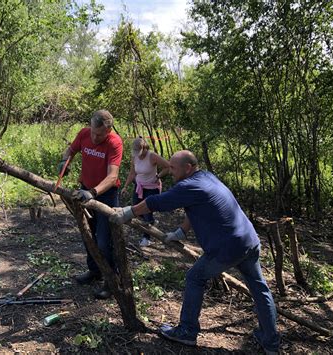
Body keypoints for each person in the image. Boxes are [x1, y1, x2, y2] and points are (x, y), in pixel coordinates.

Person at [109, 150, 280, 354]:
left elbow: (158, 202)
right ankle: (270, 342)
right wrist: (182, 230)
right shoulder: (206, 177)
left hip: (228, 246)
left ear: (188, 167)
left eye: (173, 167)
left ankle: (187, 331)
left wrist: (129, 212)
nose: (169, 171)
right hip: (248, 240)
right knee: (259, 289)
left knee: (195, 278)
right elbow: (196, 206)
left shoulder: (190, 185)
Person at [58, 109, 123, 299]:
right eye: (94, 132)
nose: (95, 137)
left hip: (105, 195)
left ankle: (112, 281)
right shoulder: (84, 133)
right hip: (84, 190)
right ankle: (94, 271)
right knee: (88, 234)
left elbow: (112, 177)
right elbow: (70, 150)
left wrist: (93, 193)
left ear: (109, 130)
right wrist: (64, 161)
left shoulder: (115, 142)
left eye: (100, 134)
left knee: (104, 240)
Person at [121, 137, 169, 247]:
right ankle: (150, 221)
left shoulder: (152, 156)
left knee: (146, 210)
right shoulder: (135, 157)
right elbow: (132, 173)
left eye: (139, 151)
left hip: (152, 187)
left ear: (144, 148)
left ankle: (146, 237)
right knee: (136, 209)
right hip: (139, 186)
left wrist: (159, 176)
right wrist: (125, 186)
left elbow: (167, 166)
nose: (137, 154)